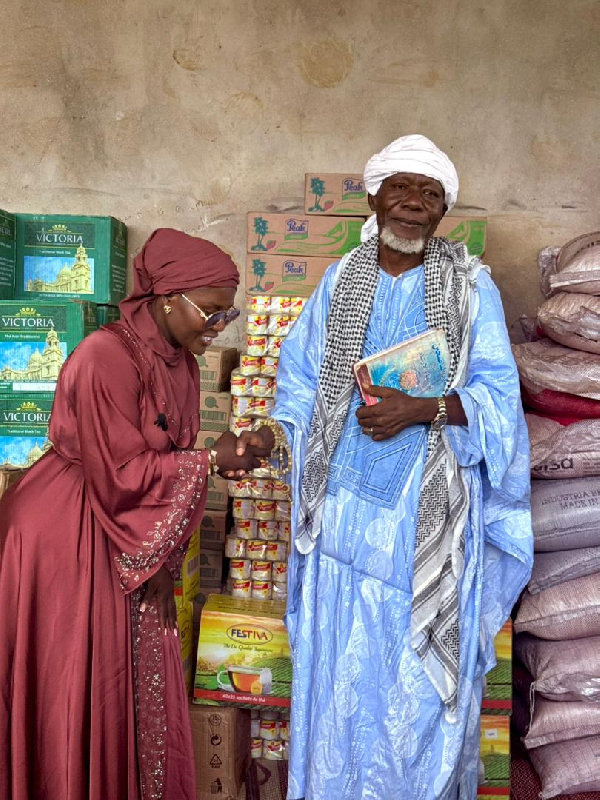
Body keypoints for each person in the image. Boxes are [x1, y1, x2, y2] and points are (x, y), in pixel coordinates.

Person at [245, 135, 533, 799]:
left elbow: (498, 399)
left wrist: (422, 408)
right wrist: (272, 435)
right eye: (403, 188)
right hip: (340, 524)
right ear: (373, 197)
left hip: (419, 530)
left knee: (413, 710)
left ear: (442, 213)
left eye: (431, 195)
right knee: (334, 702)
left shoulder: (470, 289)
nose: (415, 204)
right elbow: (299, 382)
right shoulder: (341, 280)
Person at [0, 228, 261, 800]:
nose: (218, 327)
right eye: (210, 313)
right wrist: (206, 462)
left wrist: (219, 458)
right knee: (77, 678)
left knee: (121, 677)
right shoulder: (103, 355)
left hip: (126, 529)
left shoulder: (183, 363)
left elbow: (167, 455)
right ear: (167, 298)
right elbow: (118, 473)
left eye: (228, 315)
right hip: (66, 530)